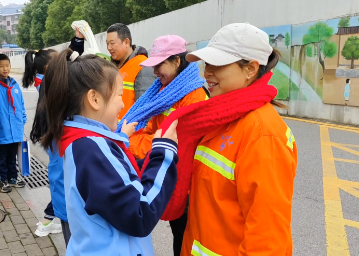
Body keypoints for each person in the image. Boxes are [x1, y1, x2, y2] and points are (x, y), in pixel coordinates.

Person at [157, 23, 298, 256]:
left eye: (218, 64)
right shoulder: (219, 119)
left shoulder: (262, 135)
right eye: (207, 64)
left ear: (251, 69)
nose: (207, 73)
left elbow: (267, 241)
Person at [42, 50, 179, 256]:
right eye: (119, 96)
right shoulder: (92, 149)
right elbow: (140, 214)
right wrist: (164, 153)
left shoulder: (81, 142)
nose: (123, 104)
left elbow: (117, 177)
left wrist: (122, 140)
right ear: (94, 99)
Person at [117, 35, 208, 256]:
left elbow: (172, 139)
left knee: (184, 234)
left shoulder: (193, 96)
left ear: (176, 62)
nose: (155, 71)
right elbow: (150, 132)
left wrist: (128, 142)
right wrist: (134, 142)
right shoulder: (162, 89)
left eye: (159, 64)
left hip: (186, 180)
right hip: (168, 170)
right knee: (179, 231)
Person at [29, 26, 90, 241]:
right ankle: (48, 219)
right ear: (50, 68)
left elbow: (70, 58)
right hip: (70, 214)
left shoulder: (48, 83)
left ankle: (49, 217)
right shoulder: (51, 87)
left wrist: (78, 39)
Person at [0, 54, 27, 193]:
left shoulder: (14, 85)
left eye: (7, 65)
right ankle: (1, 180)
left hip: (15, 128)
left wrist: (22, 120)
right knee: (1, 156)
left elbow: (21, 104)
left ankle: (12, 178)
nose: (5, 68)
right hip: (0, 129)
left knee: (12, 155)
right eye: (1, 66)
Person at [106, 23, 156, 119]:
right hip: (116, 130)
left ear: (126, 42)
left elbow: (145, 109)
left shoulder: (143, 66)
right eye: (107, 44)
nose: (109, 48)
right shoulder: (112, 67)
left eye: (112, 43)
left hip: (132, 131)